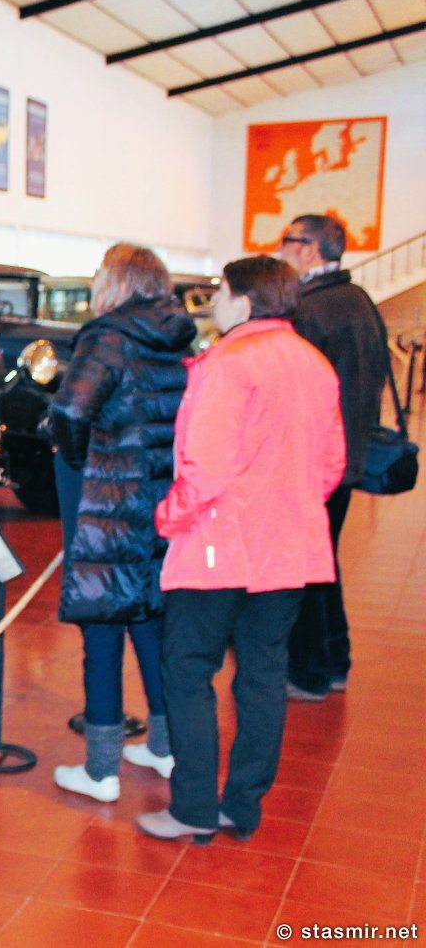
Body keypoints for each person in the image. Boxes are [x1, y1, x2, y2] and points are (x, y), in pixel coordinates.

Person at [137, 256, 345, 844]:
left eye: (220, 293)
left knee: (187, 670)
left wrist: (167, 518)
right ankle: (243, 806)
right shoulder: (314, 362)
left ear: (244, 300)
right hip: (289, 547)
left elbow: (204, 469)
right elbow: (331, 463)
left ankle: (193, 807)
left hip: (218, 545)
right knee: (262, 675)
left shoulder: (227, 362)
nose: (214, 305)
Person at [50, 243, 196, 803]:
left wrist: (80, 459)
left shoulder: (107, 337)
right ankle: (165, 746)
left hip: (109, 502)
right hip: (160, 498)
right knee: (151, 621)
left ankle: (101, 770)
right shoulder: (178, 338)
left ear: (116, 281)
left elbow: (70, 411)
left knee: (103, 626)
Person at [278, 214, 389, 701]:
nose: (281, 249)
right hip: (346, 455)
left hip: (315, 458)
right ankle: (335, 660)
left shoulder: (311, 309)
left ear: (310, 249)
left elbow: (295, 391)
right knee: (325, 561)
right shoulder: (358, 299)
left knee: (306, 566)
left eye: (287, 240)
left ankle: (309, 673)